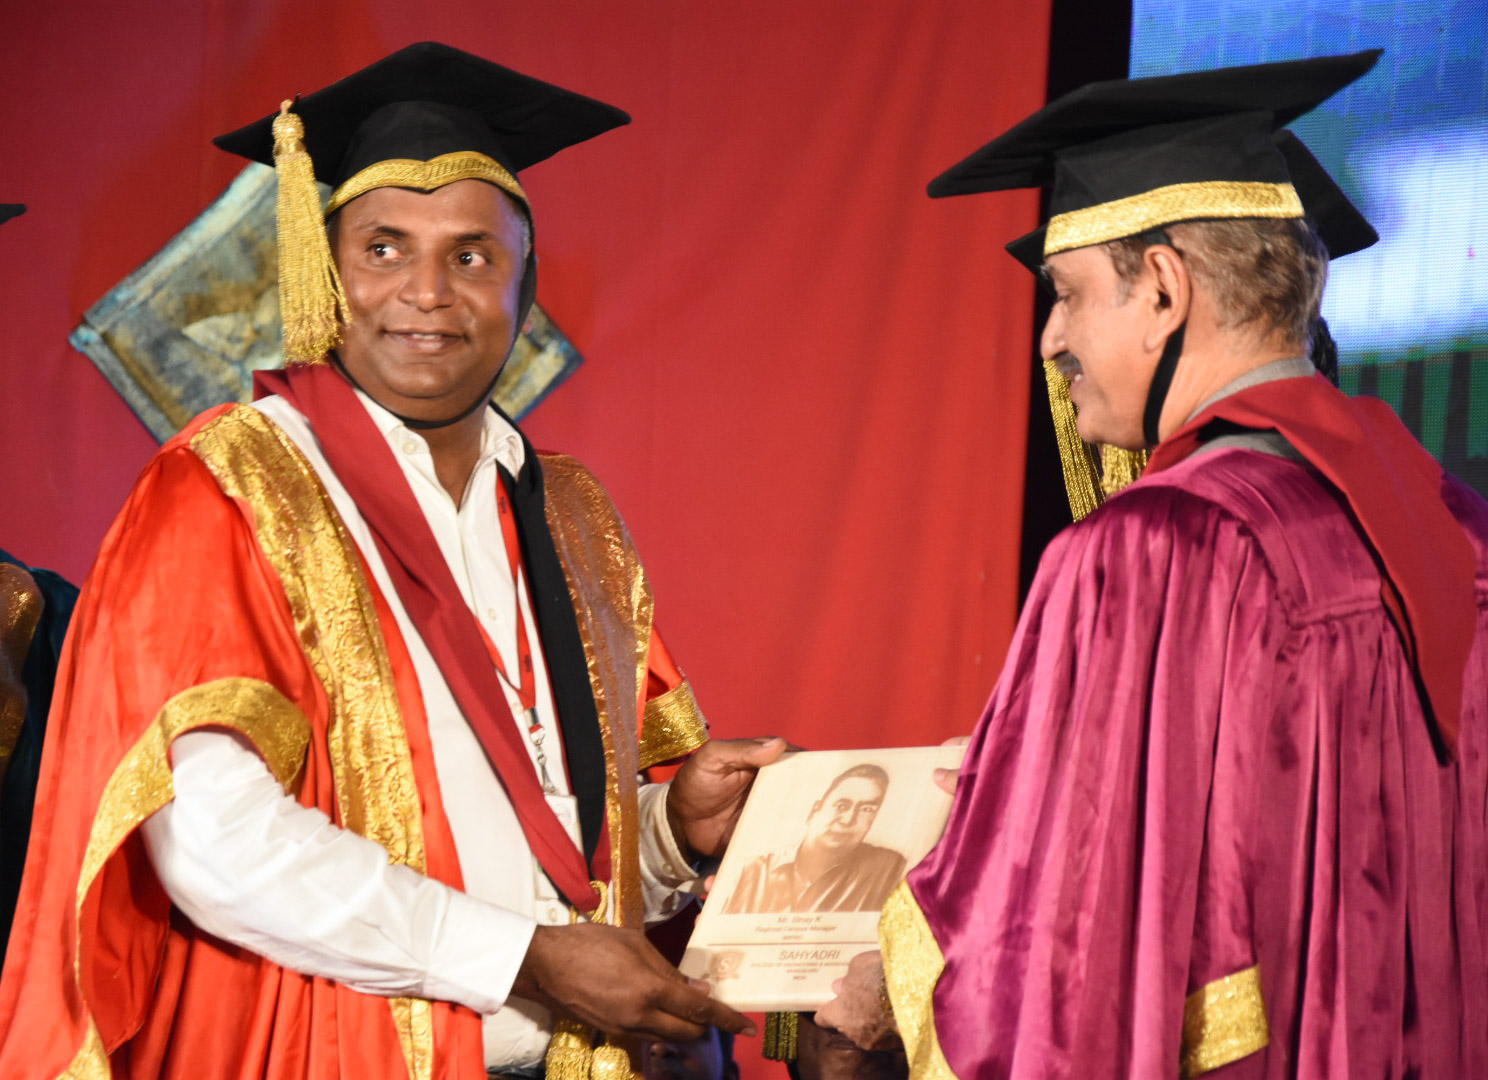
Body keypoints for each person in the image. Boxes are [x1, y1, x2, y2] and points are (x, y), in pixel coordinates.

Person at [0, 44, 784, 1079]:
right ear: (327, 275)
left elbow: (559, 848)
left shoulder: (571, 514)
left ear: (525, 287)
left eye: (472, 257)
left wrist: (673, 832)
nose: (427, 293)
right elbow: (214, 841)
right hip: (325, 1052)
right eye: (383, 249)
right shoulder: (228, 487)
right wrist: (525, 959)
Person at [818, 50, 1488, 1077]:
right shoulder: (1454, 530)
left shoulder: (1157, 548)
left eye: (1067, 294)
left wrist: (901, 980)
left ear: (1166, 289)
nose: (1050, 339)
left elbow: (1055, 958)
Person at [723, 763, 905, 915]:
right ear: (815, 811)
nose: (848, 820)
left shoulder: (886, 868)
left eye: (866, 809)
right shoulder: (754, 870)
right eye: (841, 805)